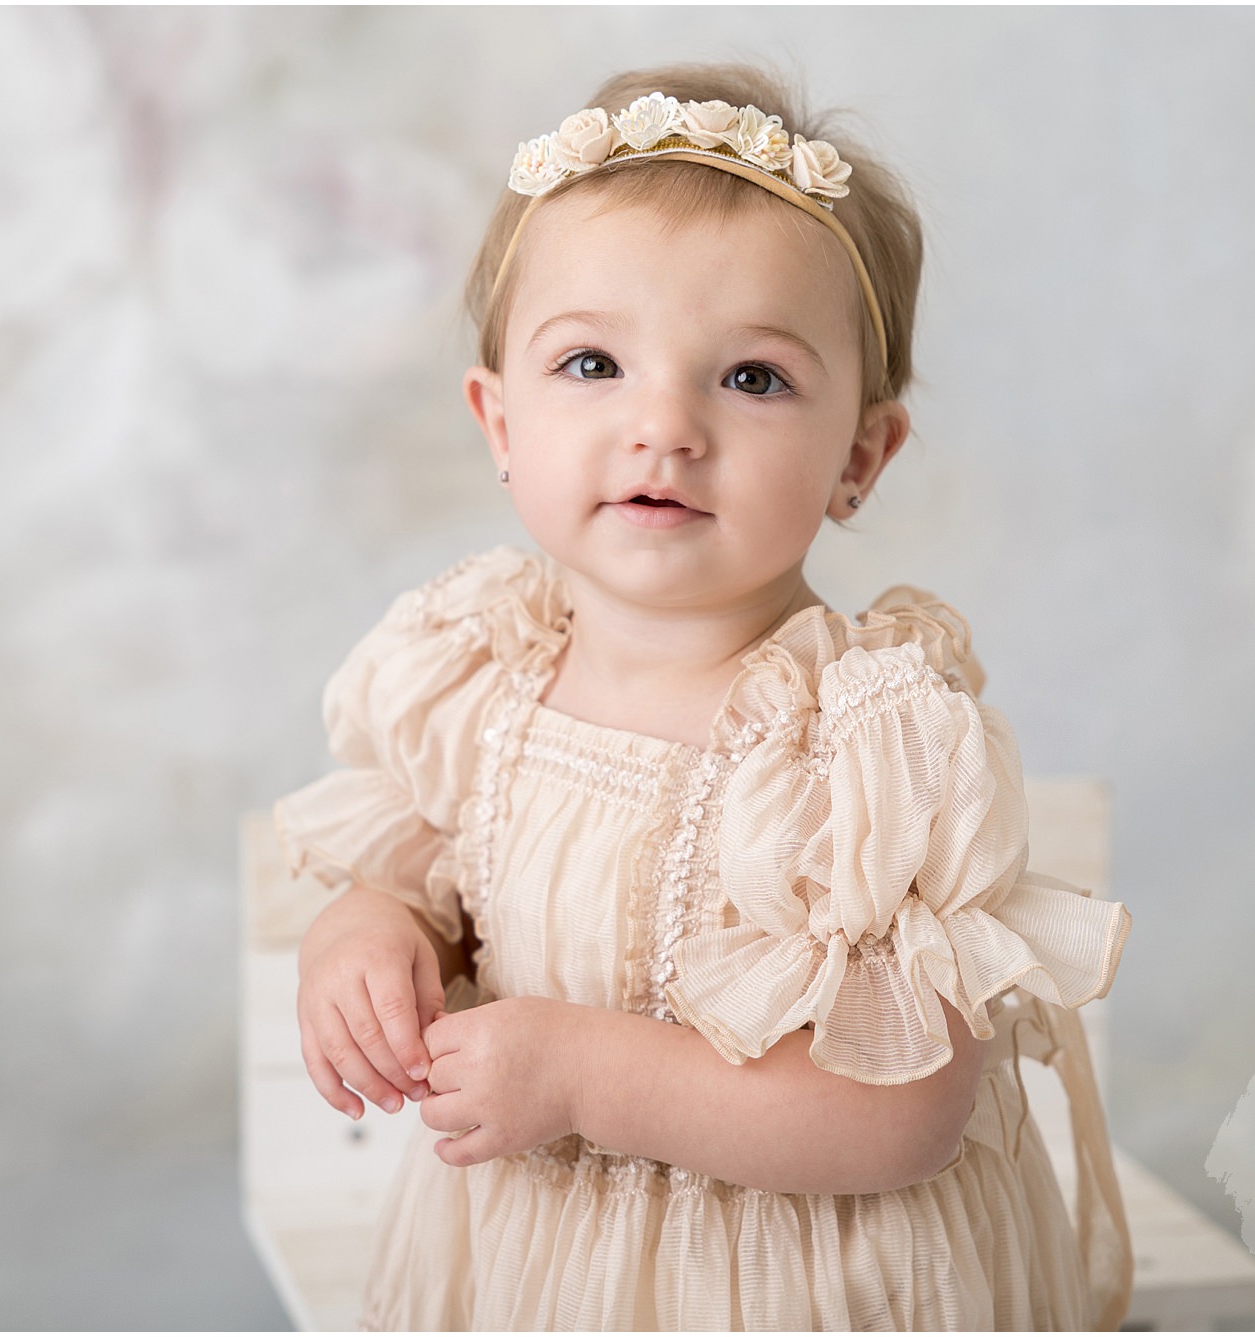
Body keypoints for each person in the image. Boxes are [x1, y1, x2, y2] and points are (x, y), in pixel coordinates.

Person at [274, 61, 1134, 1331]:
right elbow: (432, 879)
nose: (663, 425)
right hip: (537, 1273)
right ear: (496, 419)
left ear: (859, 455)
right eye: (590, 364)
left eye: (749, 378)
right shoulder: (478, 672)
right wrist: (370, 933)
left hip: (800, 1284)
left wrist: (586, 1076)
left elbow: (908, 1108)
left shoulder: (862, 743)